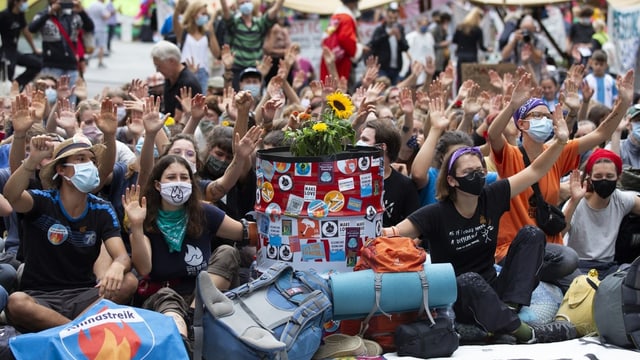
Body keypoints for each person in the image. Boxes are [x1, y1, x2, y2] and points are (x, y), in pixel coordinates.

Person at [384, 101, 577, 343]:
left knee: (531, 234)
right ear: (453, 181)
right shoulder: (435, 213)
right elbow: (391, 233)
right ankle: (527, 334)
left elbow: (535, 171)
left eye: (480, 171)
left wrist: (560, 141)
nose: (478, 176)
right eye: (469, 173)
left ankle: (507, 314)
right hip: (461, 295)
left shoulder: (492, 196)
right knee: (467, 280)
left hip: (496, 288)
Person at [487, 70, 636, 283]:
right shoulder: (510, 155)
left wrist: (624, 103)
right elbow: (493, 135)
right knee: (569, 259)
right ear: (521, 124)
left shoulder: (558, 151)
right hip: (513, 249)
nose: (545, 121)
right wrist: (512, 105)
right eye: (537, 116)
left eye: (548, 117)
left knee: (587, 285)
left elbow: (601, 134)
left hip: (552, 250)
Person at [3, 133, 134, 332]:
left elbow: (122, 256)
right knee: (17, 302)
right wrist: (32, 160)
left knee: (129, 281)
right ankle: (80, 331)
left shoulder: (103, 209)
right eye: (81, 159)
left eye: (91, 160)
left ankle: (68, 330)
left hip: (85, 296)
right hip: (41, 298)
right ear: (61, 170)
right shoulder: (41, 201)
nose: (89, 165)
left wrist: (118, 265)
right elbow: (11, 196)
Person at [123, 155, 258, 343]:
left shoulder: (203, 212)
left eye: (184, 177)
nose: (178, 183)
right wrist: (136, 226)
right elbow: (144, 268)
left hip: (201, 296)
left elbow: (246, 233)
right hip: (163, 296)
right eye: (171, 178)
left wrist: (284, 223)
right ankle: (184, 343)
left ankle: (194, 315)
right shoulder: (144, 218)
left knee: (227, 252)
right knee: (170, 307)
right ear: (157, 185)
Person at [562, 149, 640, 283]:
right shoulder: (576, 202)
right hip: (577, 266)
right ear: (590, 178)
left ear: (618, 177)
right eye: (598, 176)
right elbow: (559, 233)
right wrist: (573, 202)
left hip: (609, 268)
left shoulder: (620, 199)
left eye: (609, 176)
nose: (604, 180)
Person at [356, 119, 418, 227]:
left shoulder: (405, 186)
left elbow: (415, 230)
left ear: (382, 147)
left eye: (365, 140)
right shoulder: (351, 180)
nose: (358, 144)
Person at [29, 0, 95, 94]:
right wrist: (49, 13)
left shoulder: (74, 15)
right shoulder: (43, 15)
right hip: (51, 65)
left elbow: (90, 27)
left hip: (71, 65)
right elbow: (32, 28)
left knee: (70, 97)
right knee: (49, 97)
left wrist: (82, 12)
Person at [219, 0, 285, 90]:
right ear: (238, 6)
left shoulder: (259, 23)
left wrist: (280, 2)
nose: (245, 4)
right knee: (236, 96)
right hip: (238, 67)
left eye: (247, 1)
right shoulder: (235, 23)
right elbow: (226, 12)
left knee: (256, 97)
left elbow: (274, 11)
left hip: (256, 68)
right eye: (242, 3)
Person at [173, 0, 220, 93]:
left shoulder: (206, 33)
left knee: (201, 102)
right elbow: (175, 20)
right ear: (193, 14)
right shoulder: (184, 32)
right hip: (185, 71)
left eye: (207, 14)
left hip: (202, 73)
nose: (205, 17)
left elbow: (217, 54)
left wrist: (211, 33)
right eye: (203, 14)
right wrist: (178, 7)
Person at [150, 40, 202, 120]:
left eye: (159, 66)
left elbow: (178, 119)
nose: (157, 70)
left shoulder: (187, 83)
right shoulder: (169, 77)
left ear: (172, 61)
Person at [321, 0, 368, 85]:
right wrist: (359, 48)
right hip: (342, 62)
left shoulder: (335, 17)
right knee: (344, 91)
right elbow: (345, 39)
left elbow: (326, 37)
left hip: (331, 59)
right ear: (353, 3)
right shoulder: (346, 18)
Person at [0, 0, 42, 88]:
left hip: (14, 51)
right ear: (16, 2)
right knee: (9, 70)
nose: (25, 4)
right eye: (24, 1)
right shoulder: (4, 15)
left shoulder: (20, 15)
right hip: (4, 51)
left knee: (37, 64)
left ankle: (15, 85)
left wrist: (34, 49)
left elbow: (26, 31)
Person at [367, 2, 409, 85]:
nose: (393, 19)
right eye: (390, 16)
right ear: (386, 15)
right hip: (382, 68)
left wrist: (399, 38)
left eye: (395, 17)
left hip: (396, 68)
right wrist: (388, 35)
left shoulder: (400, 29)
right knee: (382, 89)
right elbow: (373, 44)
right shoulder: (380, 29)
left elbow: (406, 47)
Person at [452, 7, 491, 88]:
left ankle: (459, 99)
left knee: (460, 79)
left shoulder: (460, 27)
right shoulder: (478, 30)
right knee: (471, 80)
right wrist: (488, 49)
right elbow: (481, 46)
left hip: (461, 56)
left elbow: (454, 40)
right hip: (472, 57)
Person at [500, 16, 546, 83]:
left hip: (534, 77)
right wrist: (514, 40)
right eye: (524, 29)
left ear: (534, 29)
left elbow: (538, 59)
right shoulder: (514, 36)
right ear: (520, 28)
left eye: (529, 30)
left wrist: (530, 45)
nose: (526, 33)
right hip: (517, 77)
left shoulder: (539, 39)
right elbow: (504, 55)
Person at [405, 15, 435, 86]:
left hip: (428, 66)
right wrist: (412, 61)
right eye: (423, 24)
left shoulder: (429, 36)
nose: (424, 26)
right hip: (416, 65)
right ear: (418, 24)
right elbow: (406, 51)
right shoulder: (411, 36)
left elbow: (431, 50)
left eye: (426, 25)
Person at [430, 11, 451, 76]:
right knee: (437, 74)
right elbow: (432, 44)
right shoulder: (435, 29)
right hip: (437, 56)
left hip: (444, 55)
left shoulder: (444, 29)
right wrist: (441, 44)